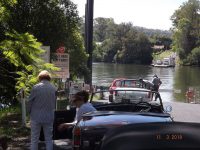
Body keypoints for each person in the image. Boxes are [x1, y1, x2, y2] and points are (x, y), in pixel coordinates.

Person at [27, 70, 57, 150]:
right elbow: (54, 102)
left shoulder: (36, 87)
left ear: (40, 78)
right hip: (49, 116)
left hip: (36, 116)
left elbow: (29, 101)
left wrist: (29, 111)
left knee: (34, 139)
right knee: (49, 139)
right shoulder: (53, 88)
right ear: (49, 78)